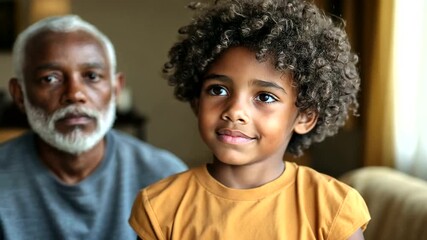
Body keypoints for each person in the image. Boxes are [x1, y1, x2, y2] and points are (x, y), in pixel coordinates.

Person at [129, 0, 370, 239]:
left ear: (305, 118)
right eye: (218, 90)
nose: (235, 111)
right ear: (197, 101)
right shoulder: (160, 207)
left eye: (264, 96)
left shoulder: (333, 208)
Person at [0, 15, 187, 240]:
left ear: (116, 89)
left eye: (91, 76)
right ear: (19, 95)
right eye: (50, 79)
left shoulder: (164, 177)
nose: (74, 94)